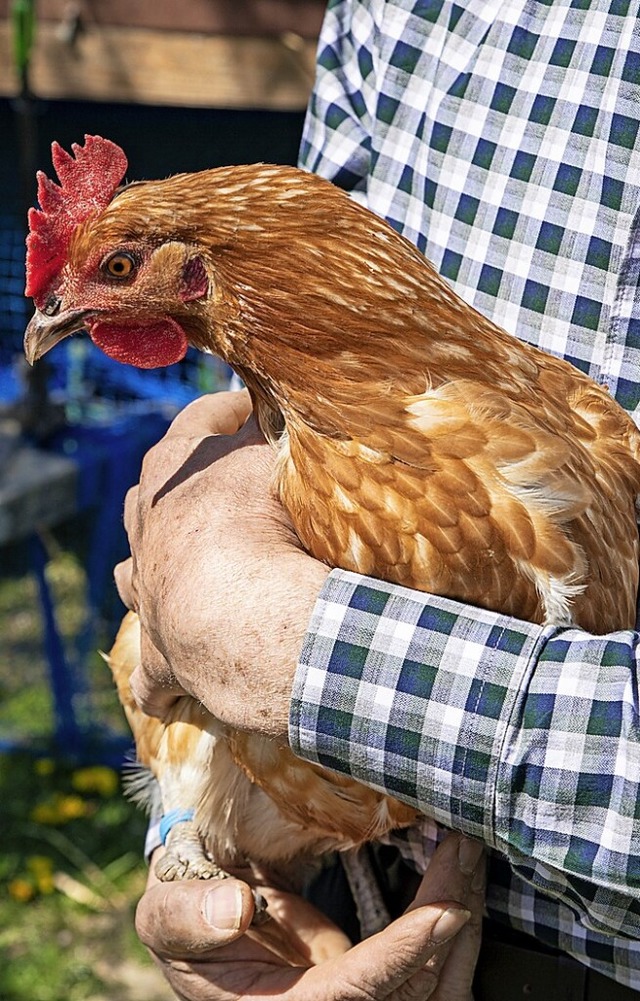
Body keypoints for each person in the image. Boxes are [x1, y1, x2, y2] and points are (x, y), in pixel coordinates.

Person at [115, 0, 640, 996]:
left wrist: (305, 648)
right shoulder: (392, 8)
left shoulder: (573, 445)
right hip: (365, 919)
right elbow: (273, 380)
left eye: (121, 271)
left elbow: (250, 625)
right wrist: (196, 848)